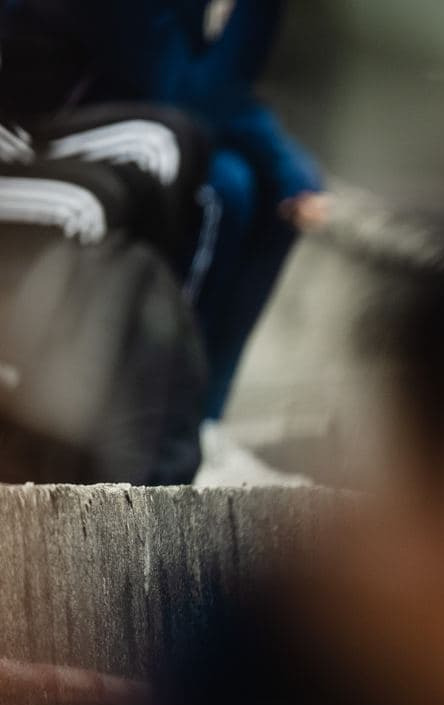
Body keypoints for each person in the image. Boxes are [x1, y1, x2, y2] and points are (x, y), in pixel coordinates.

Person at [0, 0, 329, 419]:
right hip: (94, 108)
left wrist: (291, 177)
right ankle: (157, 399)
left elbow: (231, 86)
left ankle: (204, 412)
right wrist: (282, 164)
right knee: (224, 192)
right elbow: (177, 88)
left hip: (180, 115)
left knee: (278, 206)